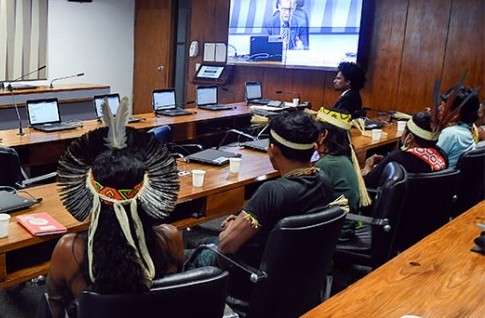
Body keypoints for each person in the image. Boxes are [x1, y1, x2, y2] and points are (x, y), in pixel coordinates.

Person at [47, 97, 183, 318]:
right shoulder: (170, 239)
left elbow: (54, 305)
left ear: (90, 193)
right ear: (146, 193)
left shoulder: (69, 251)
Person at [186, 111, 332, 290]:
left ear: (273, 149)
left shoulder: (272, 191)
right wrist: (241, 222)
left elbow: (226, 246)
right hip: (296, 276)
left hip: (252, 275)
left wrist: (233, 228)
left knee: (187, 252)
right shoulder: (323, 179)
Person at [314, 107, 370, 241]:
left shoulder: (326, 165)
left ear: (324, 134)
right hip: (347, 227)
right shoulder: (343, 158)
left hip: (335, 235)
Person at [362, 111, 448, 186]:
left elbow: (367, 184)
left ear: (409, 138)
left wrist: (368, 166)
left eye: (404, 130)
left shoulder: (396, 159)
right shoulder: (443, 157)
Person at [437, 86, 480, 168]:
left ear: (456, 113)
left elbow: (430, 160)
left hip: (443, 178)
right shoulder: (473, 128)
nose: (439, 108)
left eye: (443, 106)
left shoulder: (451, 133)